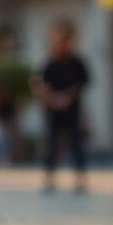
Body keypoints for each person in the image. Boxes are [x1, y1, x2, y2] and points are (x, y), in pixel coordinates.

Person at [36, 21, 91, 193]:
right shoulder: (49, 62)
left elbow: (83, 82)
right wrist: (51, 97)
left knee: (76, 143)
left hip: (72, 109)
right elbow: (38, 82)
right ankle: (49, 178)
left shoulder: (77, 62)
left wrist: (68, 96)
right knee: (51, 144)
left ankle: (80, 178)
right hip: (53, 110)